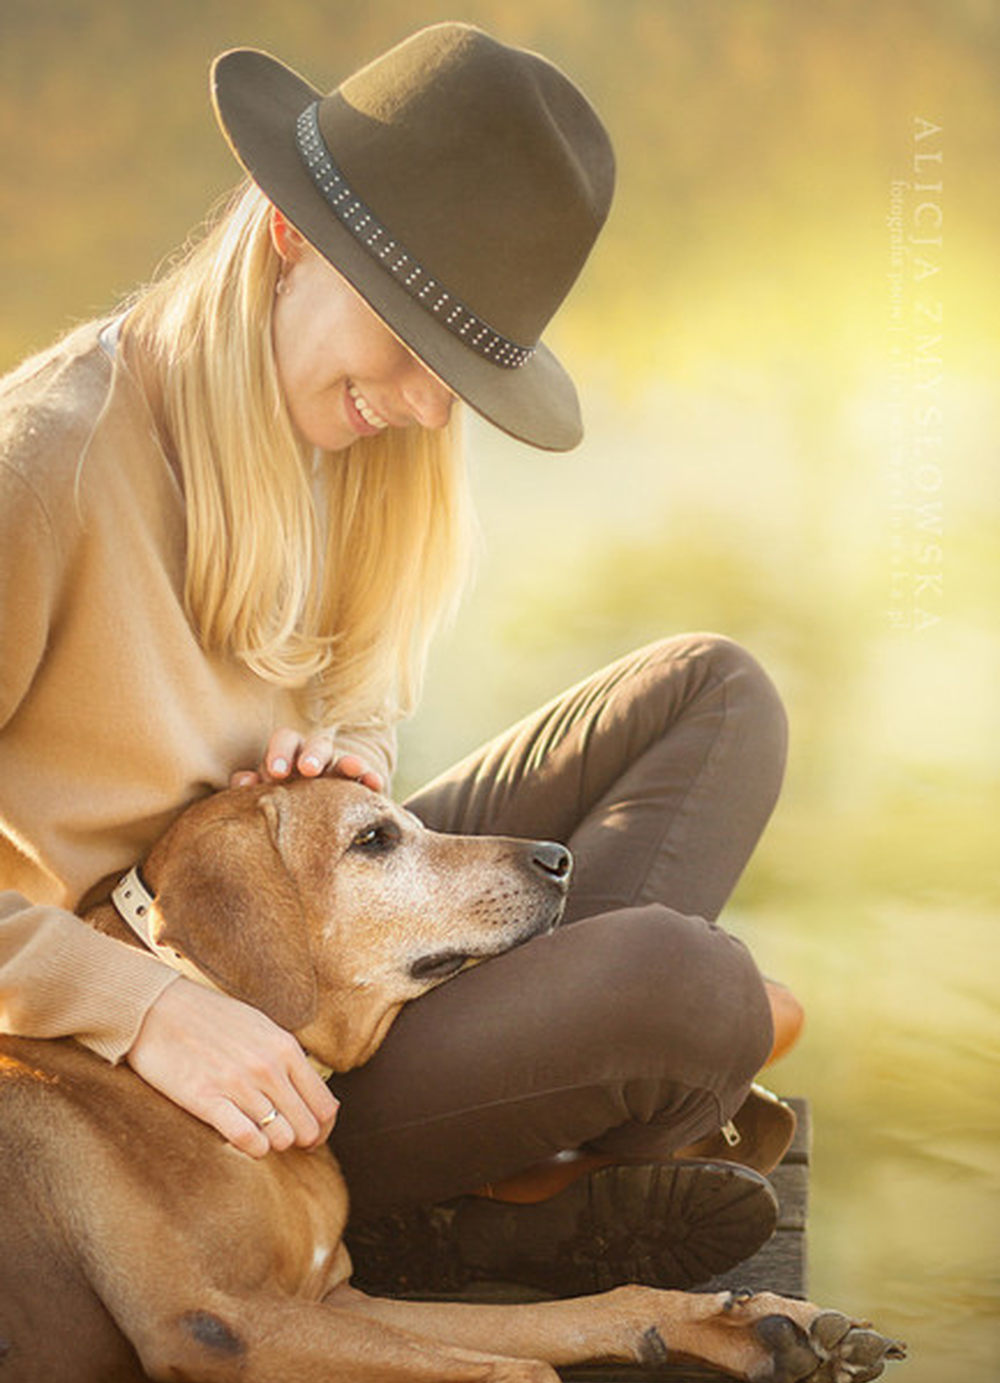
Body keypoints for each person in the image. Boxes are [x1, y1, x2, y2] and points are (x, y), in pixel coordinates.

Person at [0, 22, 801, 1298]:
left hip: (336, 937)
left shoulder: (353, 445)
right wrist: (138, 1004)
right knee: (691, 987)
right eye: (416, 345)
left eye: (462, 364)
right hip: (173, 1079)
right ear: (288, 237)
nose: (432, 407)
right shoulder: (41, 462)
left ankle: (515, 1141)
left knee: (716, 692)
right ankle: (505, 1159)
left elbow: (359, 697)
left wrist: (355, 753)